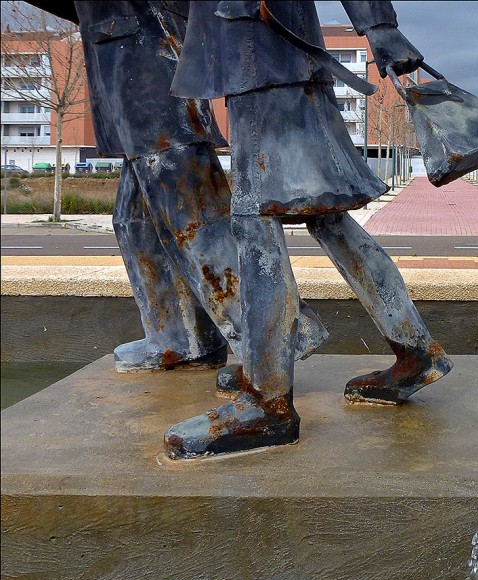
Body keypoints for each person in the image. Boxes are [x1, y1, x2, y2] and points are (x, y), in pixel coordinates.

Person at [165, 0, 451, 458]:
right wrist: (379, 28)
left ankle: (268, 402)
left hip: (261, 54)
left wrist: (380, 27)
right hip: (278, 57)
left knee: (256, 220)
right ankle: (415, 350)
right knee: (328, 217)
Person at [29, 0, 327, 374]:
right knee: (136, 220)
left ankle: (278, 337)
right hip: (131, 55)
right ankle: (183, 338)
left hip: (147, 61)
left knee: (193, 216)